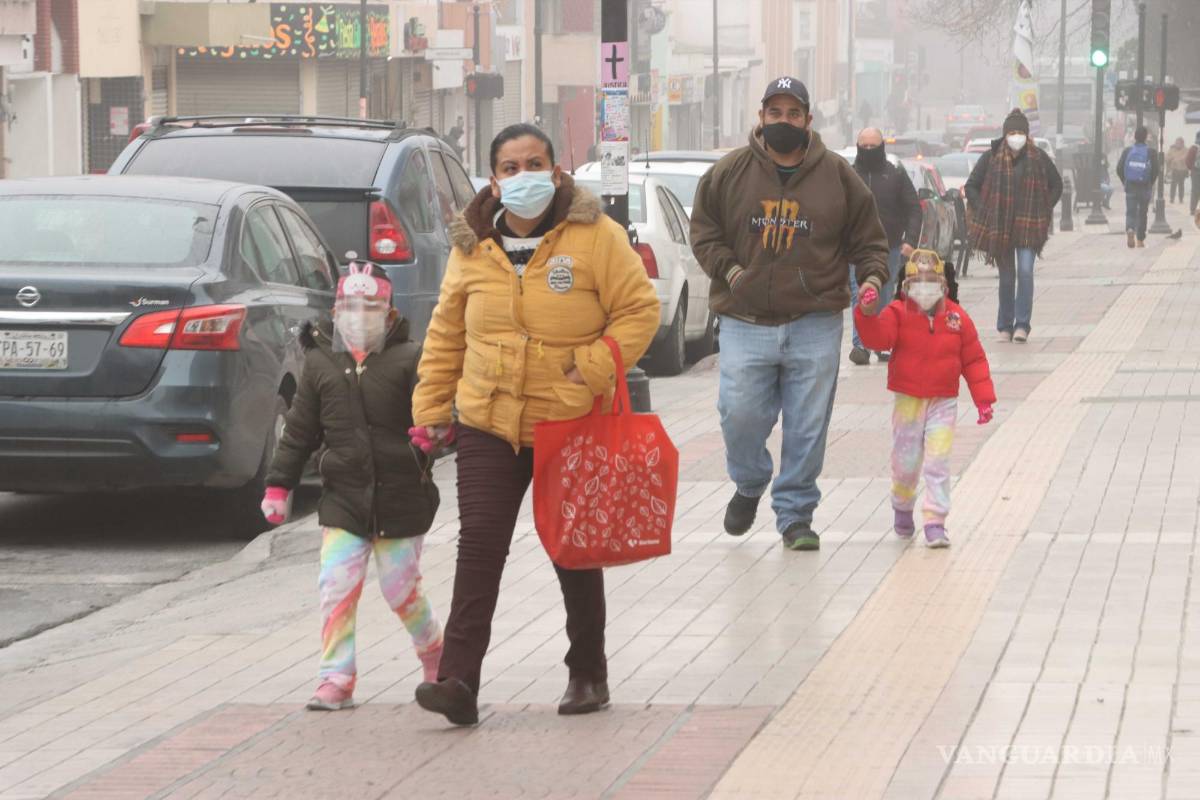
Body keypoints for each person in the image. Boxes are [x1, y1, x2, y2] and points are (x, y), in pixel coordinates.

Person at [409, 123, 659, 726]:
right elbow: (446, 334)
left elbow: (639, 309)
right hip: (488, 419)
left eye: (536, 163)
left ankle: (587, 674)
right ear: (494, 180)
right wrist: (429, 410)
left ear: (556, 168)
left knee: (572, 551)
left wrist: (593, 367)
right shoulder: (471, 249)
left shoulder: (596, 236)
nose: (525, 176)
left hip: (569, 418)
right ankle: (459, 681)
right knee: (480, 545)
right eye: (512, 167)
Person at [689, 76, 890, 551]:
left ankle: (796, 515)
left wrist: (873, 278)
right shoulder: (729, 173)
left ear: (807, 121)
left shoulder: (839, 176)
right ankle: (749, 481)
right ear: (761, 118)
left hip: (815, 320)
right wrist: (733, 272)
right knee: (737, 414)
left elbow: (869, 238)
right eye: (774, 113)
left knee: (807, 425)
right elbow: (704, 232)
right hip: (744, 319)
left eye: (793, 114)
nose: (784, 121)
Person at [260, 261, 443, 712]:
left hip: (402, 496)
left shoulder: (411, 358)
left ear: (390, 311)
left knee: (401, 590)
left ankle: (435, 652)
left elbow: (437, 408)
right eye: (349, 306)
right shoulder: (321, 363)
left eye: (371, 306)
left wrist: (435, 433)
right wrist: (278, 486)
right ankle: (335, 678)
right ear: (335, 310)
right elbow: (300, 430)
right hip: (342, 499)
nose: (358, 315)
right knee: (336, 587)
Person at [853, 249, 995, 548]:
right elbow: (877, 339)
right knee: (906, 461)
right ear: (905, 286)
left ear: (944, 285)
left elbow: (974, 359)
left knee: (938, 461)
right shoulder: (897, 313)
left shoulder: (957, 317)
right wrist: (866, 313)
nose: (925, 288)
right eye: (918, 281)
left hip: (944, 401)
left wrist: (983, 399)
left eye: (932, 281)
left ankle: (935, 521)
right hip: (909, 401)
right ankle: (902, 506)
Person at [965, 108, 1062, 344]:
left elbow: (1056, 184)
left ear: (1027, 134)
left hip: (1029, 227)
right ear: (1005, 134)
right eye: (1012, 132)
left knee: (1026, 271)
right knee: (1007, 277)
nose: (1016, 136)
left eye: (1020, 131)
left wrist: (1045, 207)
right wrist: (984, 209)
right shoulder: (991, 157)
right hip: (1001, 228)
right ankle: (1005, 326)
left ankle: (1022, 324)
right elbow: (971, 186)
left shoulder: (1038, 157)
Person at [848, 127, 923, 366]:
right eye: (864, 146)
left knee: (883, 294)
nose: (869, 150)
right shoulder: (849, 175)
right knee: (859, 293)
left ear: (882, 147)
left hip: (889, 246)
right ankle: (860, 344)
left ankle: (882, 342)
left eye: (873, 146)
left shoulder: (895, 174)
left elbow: (913, 208)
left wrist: (910, 240)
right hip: (856, 248)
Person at [1117, 126, 1160, 250]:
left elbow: (1119, 168)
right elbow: (1156, 170)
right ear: (1146, 137)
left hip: (1130, 185)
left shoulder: (1127, 151)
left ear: (1134, 137)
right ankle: (1140, 239)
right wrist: (1150, 182)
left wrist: (1125, 181)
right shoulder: (1151, 152)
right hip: (1144, 186)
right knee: (1143, 212)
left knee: (1130, 211)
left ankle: (1130, 229)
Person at [1167, 136, 1189, 205]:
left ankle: (1181, 198)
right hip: (1174, 169)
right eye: (1176, 143)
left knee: (1181, 185)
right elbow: (1167, 157)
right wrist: (1171, 159)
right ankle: (1171, 198)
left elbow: (1185, 158)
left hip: (1182, 170)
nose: (1177, 144)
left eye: (1179, 143)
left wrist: (1176, 159)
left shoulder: (1186, 150)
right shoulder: (1172, 149)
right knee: (1173, 184)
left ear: (1182, 143)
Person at [1188, 132, 1200, 216]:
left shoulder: (1193, 148)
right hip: (1195, 171)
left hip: (1195, 171)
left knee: (1195, 191)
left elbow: (1187, 161)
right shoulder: (1194, 148)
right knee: (1195, 191)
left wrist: (1191, 168)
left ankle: (1193, 209)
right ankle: (1193, 209)